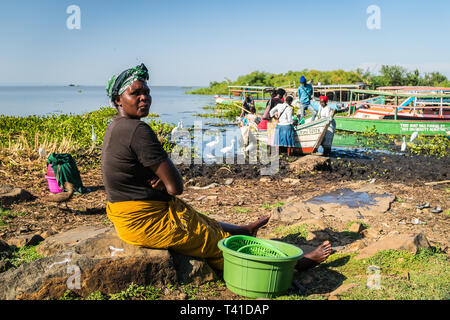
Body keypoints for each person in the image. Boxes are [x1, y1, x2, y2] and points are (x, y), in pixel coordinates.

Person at [102, 63, 332, 271]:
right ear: (118, 100)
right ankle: (293, 266)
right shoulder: (138, 131)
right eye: (136, 93)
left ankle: (244, 230)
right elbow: (176, 187)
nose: (144, 98)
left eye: (147, 92)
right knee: (217, 244)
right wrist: (164, 181)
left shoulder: (116, 127)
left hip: (130, 214)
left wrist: (160, 180)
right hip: (144, 220)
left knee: (201, 220)